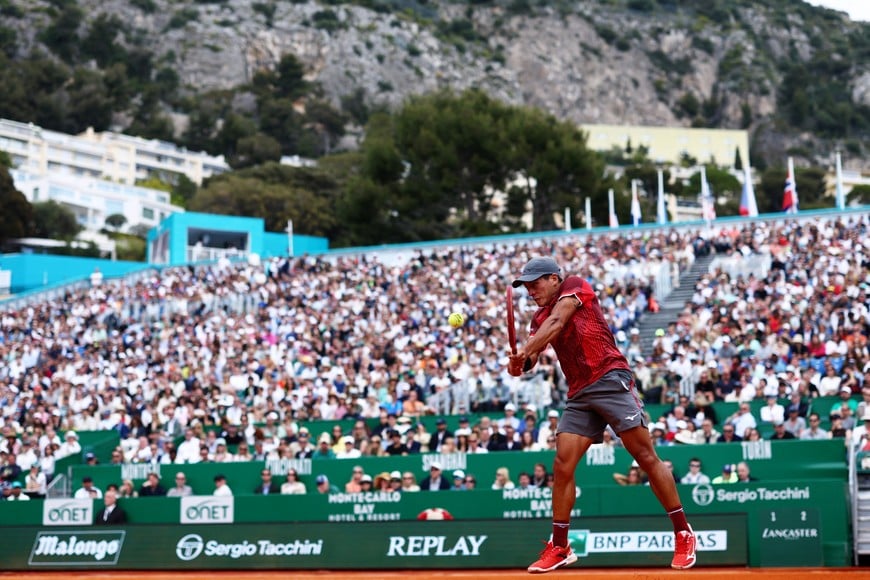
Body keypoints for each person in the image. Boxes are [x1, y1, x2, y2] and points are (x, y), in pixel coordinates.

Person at [508, 257, 695, 572]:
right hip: (579, 393)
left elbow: (557, 324)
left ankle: (683, 533)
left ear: (554, 278)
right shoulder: (537, 319)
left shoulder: (574, 286)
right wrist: (520, 364)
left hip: (609, 378)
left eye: (535, 282)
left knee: (645, 456)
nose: (530, 290)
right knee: (562, 464)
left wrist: (525, 351)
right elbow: (533, 357)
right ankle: (560, 546)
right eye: (525, 285)